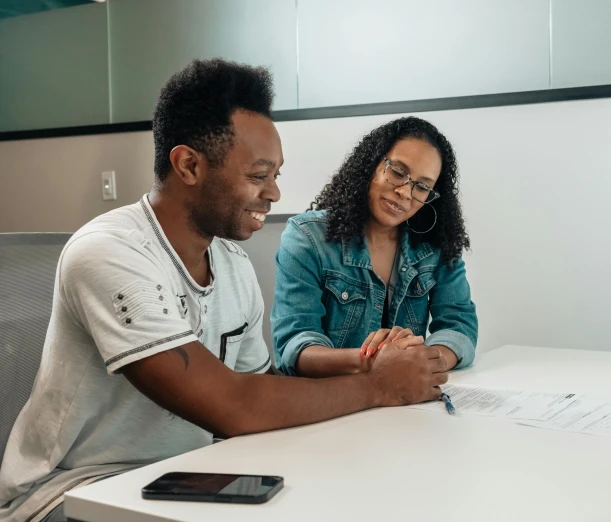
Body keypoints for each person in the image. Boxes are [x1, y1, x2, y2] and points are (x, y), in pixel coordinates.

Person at [0, 60, 447, 522]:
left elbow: (262, 388)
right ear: (189, 165)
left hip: (191, 476)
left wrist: (374, 374)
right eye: (258, 176)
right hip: (75, 491)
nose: (274, 193)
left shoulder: (233, 263)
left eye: (276, 175)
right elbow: (234, 405)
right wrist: (378, 386)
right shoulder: (108, 253)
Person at [272, 116, 478, 378]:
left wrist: (423, 360)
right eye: (398, 172)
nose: (404, 192)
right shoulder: (306, 238)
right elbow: (294, 347)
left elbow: (460, 325)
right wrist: (376, 362)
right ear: (371, 163)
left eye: (422, 186)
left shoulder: (437, 245)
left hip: (403, 403)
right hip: (330, 402)